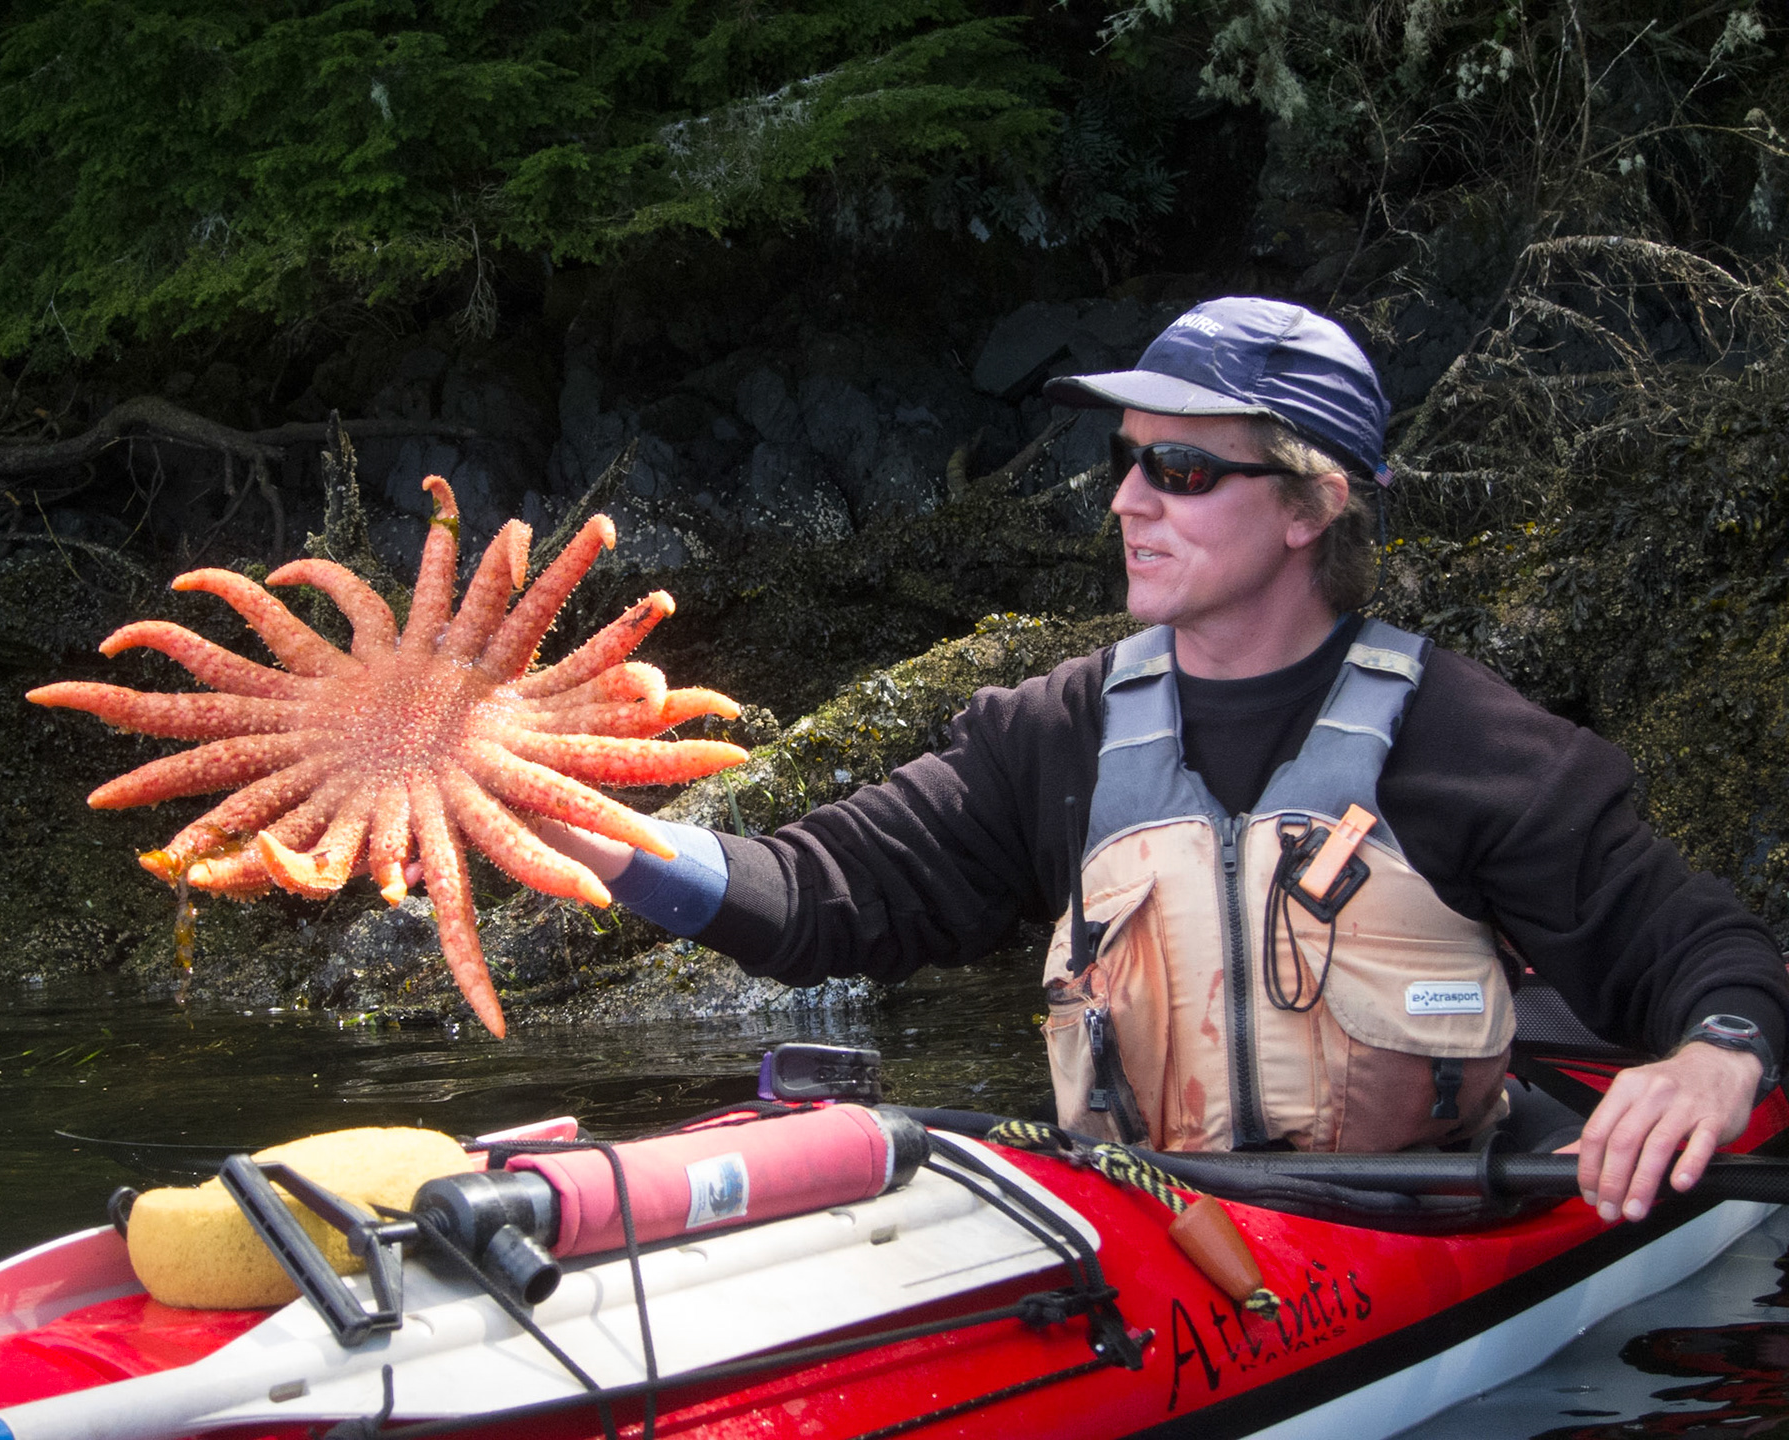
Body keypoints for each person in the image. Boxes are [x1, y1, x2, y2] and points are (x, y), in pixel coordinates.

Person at [537, 296, 1789, 1228]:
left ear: (1311, 507)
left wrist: (1714, 1055)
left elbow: (1703, 953)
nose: (1129, 501)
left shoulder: (1468, 742)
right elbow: (819, 896)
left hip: (1419, 1222)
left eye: (1181, 469)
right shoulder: (1052, 735)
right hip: (1151, 1219)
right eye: (1125, 460)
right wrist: (573, 822)